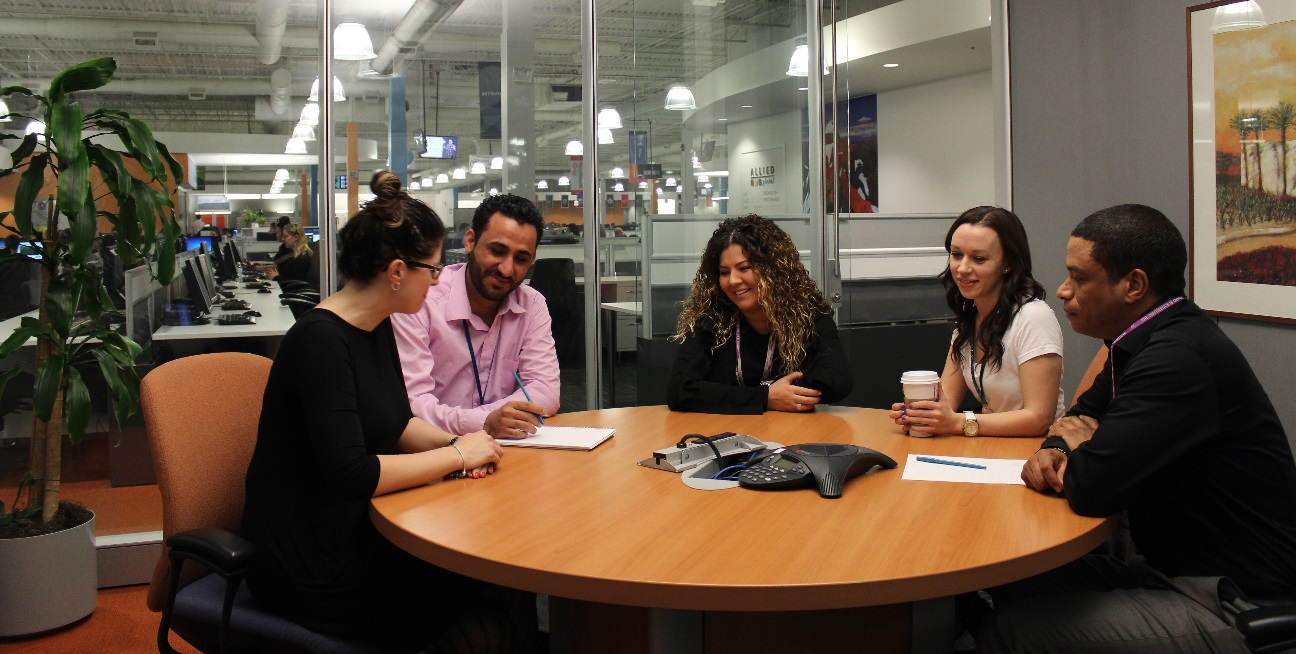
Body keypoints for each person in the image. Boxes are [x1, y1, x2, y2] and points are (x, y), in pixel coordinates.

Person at [976, 204, 1296, 652]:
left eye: (1080, 277)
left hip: (1229, 596)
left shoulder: (1176, 358)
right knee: (1010, 579)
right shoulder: (1136, 342)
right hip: (1169, 567)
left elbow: (1092, 488)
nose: (1064, 291)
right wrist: (1063, 448)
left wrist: (1086, 448)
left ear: (1135, 285)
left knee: (1005, 630)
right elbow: (1074, 421)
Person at [241, 171, 536, 652]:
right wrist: (457, 457)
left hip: (359, 529)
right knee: (482, 584)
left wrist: (468, 447)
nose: (440, 280)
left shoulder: (376, 324)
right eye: (434, 269)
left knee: (500, 580)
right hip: (310, 561)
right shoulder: (321, 341)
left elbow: (398, 425)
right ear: (397, 272)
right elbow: (352, 473)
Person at [392, 194, 559, 439]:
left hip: (502, 451)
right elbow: (411, 405)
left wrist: (491, 422)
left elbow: (545, 389)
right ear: (470, 241)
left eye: (521, 259)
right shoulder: (421, 301)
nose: (506, 269)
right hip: (432, 452)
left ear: (532, 260)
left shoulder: (532, 305)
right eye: (497, 250)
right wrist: (484, 422)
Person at [890, 206, 1064, 437]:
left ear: (1008, 263)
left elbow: (1039, 419)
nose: (962, 269)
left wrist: (958, 422)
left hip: (1035, 454)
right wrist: (923, 414)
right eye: (956, 255)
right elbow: (948, 402)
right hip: (991, 447)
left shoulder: (1033, 317)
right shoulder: (969, 320)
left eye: (979, 258)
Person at [667, 213, 852, 414]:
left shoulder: (808, 314)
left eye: (744, 268)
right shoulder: (712, 318)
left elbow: (837, 382)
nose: (733, 281)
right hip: (725, 434)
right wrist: (766, 397)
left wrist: (722, 396)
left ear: (773, 270)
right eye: (724, 272)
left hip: (790, 434)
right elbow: (679, 390)